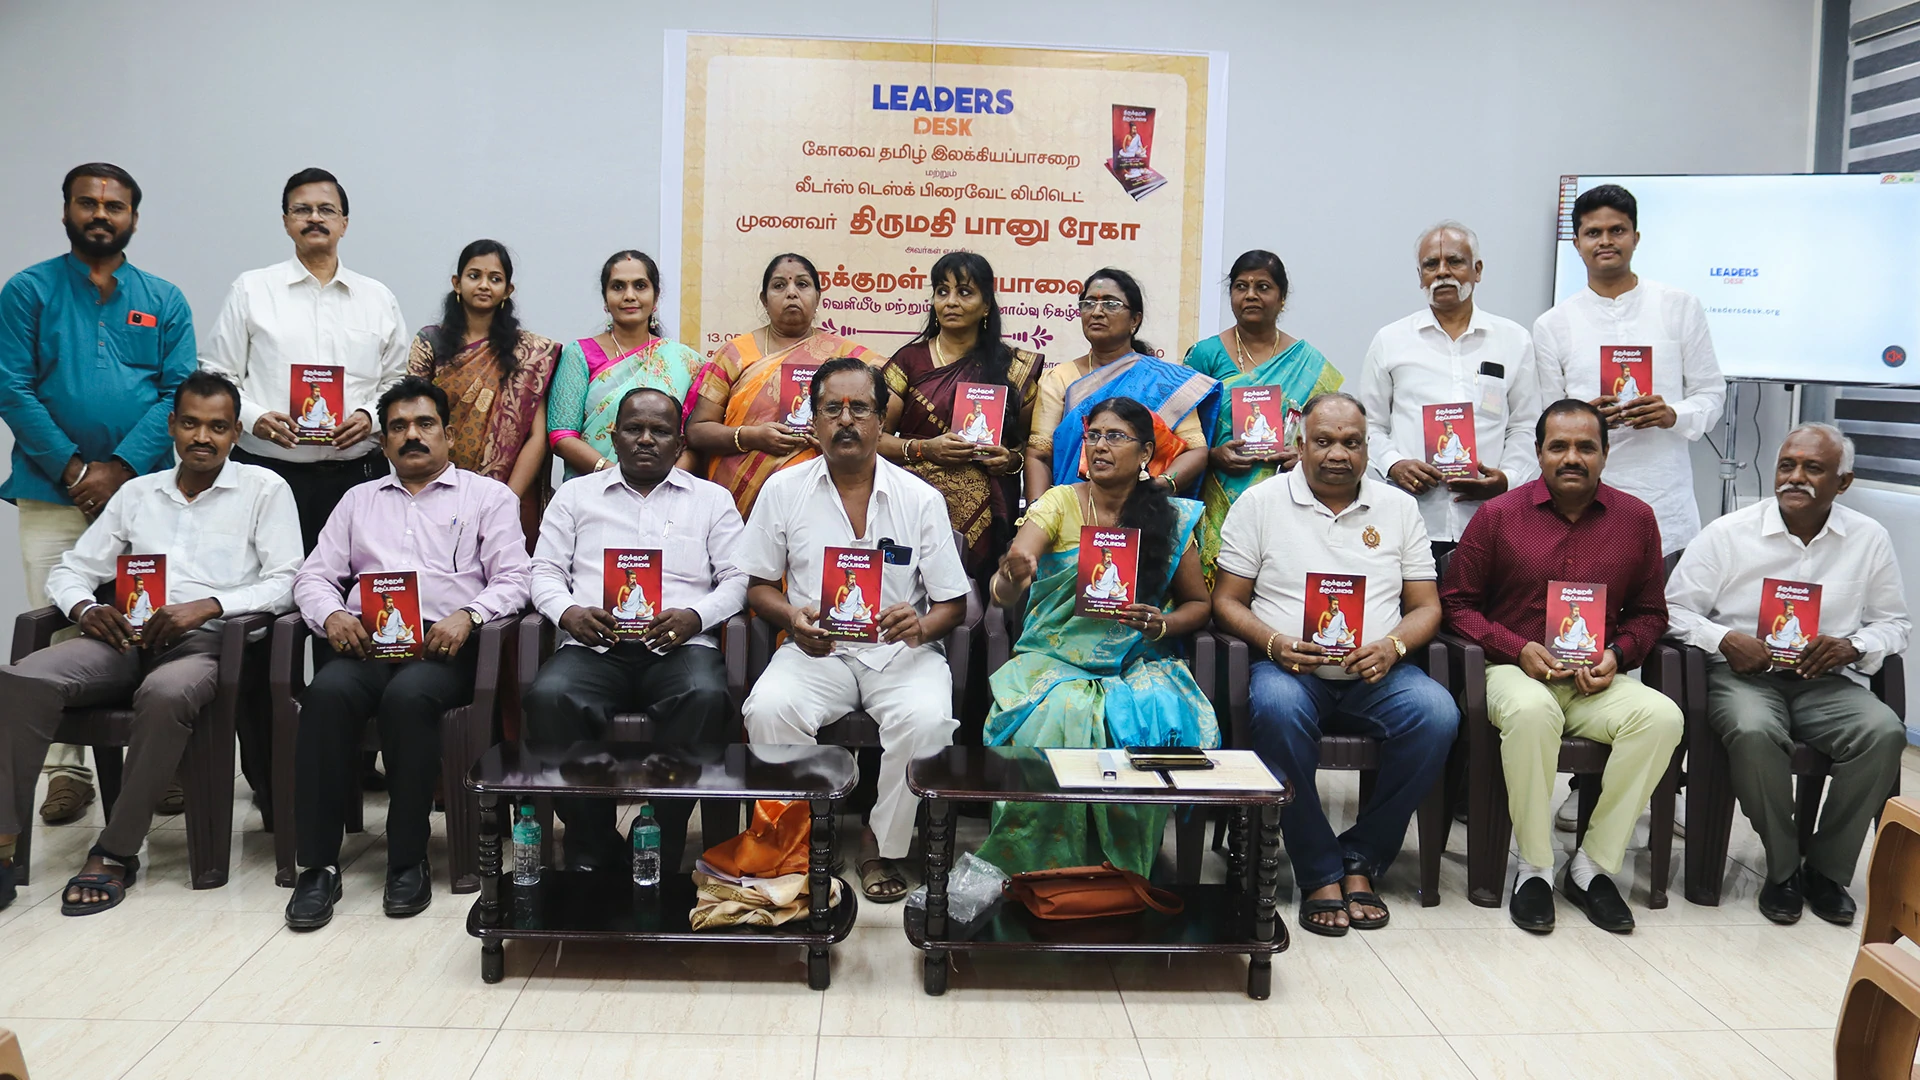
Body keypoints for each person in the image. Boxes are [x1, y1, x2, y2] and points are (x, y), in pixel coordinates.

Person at [0, 372, 301, 914]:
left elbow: (286, 581)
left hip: (208, 647)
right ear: (172, 427)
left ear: (236, 433)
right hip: (124, 642)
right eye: (190, 423)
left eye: (217, 427)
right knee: (22, 679)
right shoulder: (138, 493)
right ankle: (2, 846)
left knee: (163, 694)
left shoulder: (264, 489)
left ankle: (115, 852)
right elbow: (72, 569)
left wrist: (210, 605)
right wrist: (87, 608)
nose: (202, 437)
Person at [285, 376, 529, 930]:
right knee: (324, 696)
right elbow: (313, 576)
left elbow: (516, 578)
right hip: (367, 646)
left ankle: (406, 859)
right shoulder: (358, 501)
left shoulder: (487, 498)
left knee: (408, 698)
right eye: (398, 427)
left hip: (442, 650)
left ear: (448, 435)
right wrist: (332, 615)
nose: (412, 435)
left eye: (424, 424)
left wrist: (470, 615)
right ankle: (317, 866)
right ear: (383, 441)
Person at [1211, 391, 1456, 935]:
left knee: (1437, 713)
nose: (1338, 454)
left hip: (1378, 675)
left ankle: (1361, 857)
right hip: (1290, 672)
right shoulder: (1260, 502)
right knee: (1275, 708)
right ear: (1300, 444)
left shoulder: (1398, 507)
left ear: (1368, 448)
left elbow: (1426, 607)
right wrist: (1273, 643)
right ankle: (1320, 869)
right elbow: (1226, 600)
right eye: (1323, 441)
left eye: (1351, 442)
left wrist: (1392, 647)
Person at [0, 163, 198, 827]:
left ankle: (156, 762)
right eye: (87, 203)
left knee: (152, 620)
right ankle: (66, 773)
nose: (100, 214)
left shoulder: (163, 299)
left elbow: (177, 393)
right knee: (60, 621)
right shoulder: (28, 291)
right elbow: (11, 387)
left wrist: (117, 470)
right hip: (51, 492)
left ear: (134, 218)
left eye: (115, 206)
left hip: (145, 495)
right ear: (65, 211)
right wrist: (74, 472)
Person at [1440, 399, 1682, 935]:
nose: (1572, 457)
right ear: (1539, 453)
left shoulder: (1637, 519)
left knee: (1662, 717)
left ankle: (1592, 866)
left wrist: (1618, 654)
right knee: (1532, 713)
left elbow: (1650, 613)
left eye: (1586, 447)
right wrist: (1515, 647)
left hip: (1595, 681)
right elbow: (1456, 603)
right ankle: (1534, 868)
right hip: (1513, 672)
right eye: (1559, 446)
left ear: (1606, 454)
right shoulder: (1498, 515)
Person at [737, 358, 970, 903]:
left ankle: (880, 842)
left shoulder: (920, 498)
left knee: (928, 721)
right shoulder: (782, 489)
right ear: (813, 420)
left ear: (881, 419)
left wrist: (921, 625)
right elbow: (759, 587)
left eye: (860, 408)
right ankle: (800, 839)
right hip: (816, 650)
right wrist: (792, 618)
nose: (846, 420)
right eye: (832, 409)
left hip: (900, 653)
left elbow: (953, 604)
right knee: (768, 709)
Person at [1666, 423, 1909, 927]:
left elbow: (1894, 624)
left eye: (1812, 468)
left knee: (1884, 733)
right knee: (1754, 731)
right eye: (1787, 465)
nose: (1794, 477)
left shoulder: (1868, 539)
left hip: (1825, 681)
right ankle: (1782, 870)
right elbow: (1671, 610)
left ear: (1843, 482)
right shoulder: (1729, 533)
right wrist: (1725, 639)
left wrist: (1854, 646)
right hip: (1742, 679)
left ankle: (1826, 870)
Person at [977, 396, 1216, 877]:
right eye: (1093, 436)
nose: (1100, 446)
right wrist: (1011, 574)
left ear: (1145, 452)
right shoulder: (1059, 502)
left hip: (1135, 659)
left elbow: (1199, 604)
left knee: (1147, 711)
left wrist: (1162, 624)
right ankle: (1042, 866)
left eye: (1115, 437)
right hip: (1053, 658)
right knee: (1063, 709)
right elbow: (1005, 590)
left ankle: (1120, 868)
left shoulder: (1170, 517)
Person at [524, 388, 746, 877]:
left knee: (706, 697)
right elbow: (543, 571)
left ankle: (659, 840)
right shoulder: (575, 496)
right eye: (634, 429)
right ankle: (591, 843)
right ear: (613, 435)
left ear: (679, 441)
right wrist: (568, 612)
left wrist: (696, 616)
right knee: (549, 697)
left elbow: (738, 578)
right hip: (594, 646)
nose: (646, 439)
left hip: (680, 646)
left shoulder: (711, 499)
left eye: (660, 431)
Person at [200, 167, 409, 552]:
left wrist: (370, 416)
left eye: (326, 209)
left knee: (354, 582)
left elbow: (398, 381)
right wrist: (254, 419)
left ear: (344, 223)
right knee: (264, 581)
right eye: (302, 209)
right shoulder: (252, 290)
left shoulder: (377, 298)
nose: (314, 218)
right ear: (286, 222)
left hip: (357, 477)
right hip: (266, 473)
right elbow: (217, 375)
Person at [1532, 184, 1725, 557]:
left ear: (1635, 237)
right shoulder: (1553, 324)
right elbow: (1547, 417)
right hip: (1584, 503)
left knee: (1666, 593)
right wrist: (1584, 420)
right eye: (1593, 232)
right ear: (1577, 243)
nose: (1605, 241)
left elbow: (1712, 395)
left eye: (1617, 230)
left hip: (1665, 502)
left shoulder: (1679, 307)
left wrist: (1672, 414)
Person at [1356, 222, 1540, 562]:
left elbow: (1526, 426)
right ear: (1420, 276)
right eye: (1431, 264)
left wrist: (1508, 480)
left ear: (1477, 270)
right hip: (1411, 519)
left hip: (1491, 518)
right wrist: (1394, 465)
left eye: (1454, 261)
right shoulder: (1391, 341)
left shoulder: (1513, 340)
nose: (1442, 272)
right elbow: (1369, 426)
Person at [879, 253, 1041, 577]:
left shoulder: (1014, 367)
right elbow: (873, 438)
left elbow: (1030, 448)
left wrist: (1010, 460)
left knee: (976, 596)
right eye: (942, 291)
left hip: (988, 514)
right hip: (913, 503)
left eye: (964, 292)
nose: (950, 301)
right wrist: (925, 449)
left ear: (986, 305)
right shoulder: (909, 360)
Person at [1183, 251, 1341, 581]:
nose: (1251, 295)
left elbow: (1329, 433)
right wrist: (1213, 455)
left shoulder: (1307, 361)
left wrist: (1302, 456)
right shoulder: (1205, 355)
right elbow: (1179, 431)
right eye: (1241, 286)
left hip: (1287, 495)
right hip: (1216, 494)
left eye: (1263, 287)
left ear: (1282, 298)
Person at [688, 253, 880, 519]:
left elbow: (883, 409)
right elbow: (697, 431)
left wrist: (832, 434)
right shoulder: (735, 354)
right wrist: (751, 436)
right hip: (740, 499)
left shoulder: (845, 356)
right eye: (779, 285)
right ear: (764, 300)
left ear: (818, 297)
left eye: (802, 284)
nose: (791, 292)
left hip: (823, 496)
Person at [409, 240, 562, 544]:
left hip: (509, 493)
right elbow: (413, 421)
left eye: (495, 278)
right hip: (437, 488)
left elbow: (537, 436)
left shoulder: (530, 353)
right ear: (457, 283)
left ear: (508, 290)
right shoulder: (430, 342)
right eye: (474, 275)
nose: (483, 285)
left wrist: (506, 501)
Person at [1029, 268, 1219, 505]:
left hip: (1145, 511)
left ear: (1135, 320)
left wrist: (1160, 486)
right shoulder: (1059, 378)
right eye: (1088, 304)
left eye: (1111, 304)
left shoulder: (1165, 380)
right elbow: (1039, 455)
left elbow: (1196, 450)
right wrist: (1037, 512)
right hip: (1072, 511)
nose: (1096, 312)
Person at [547, 250, 705, 481]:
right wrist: (615, 477)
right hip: (593, 487)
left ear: (656, 297)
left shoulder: (687, 362)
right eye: (618, 287)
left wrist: (665, 484)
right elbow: (562, 435)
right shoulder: (579, 354)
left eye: (640, 286)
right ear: (605, 299)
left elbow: (695, 440)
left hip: (666, 491)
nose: (629, 296)